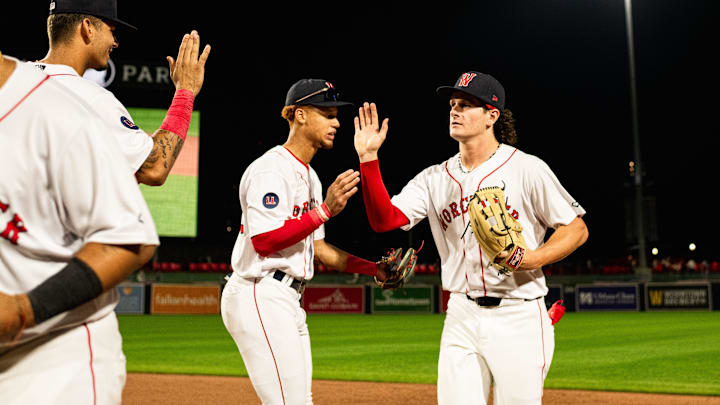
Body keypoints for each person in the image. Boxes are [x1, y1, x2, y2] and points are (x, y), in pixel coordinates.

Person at [353, 71, 589, 405]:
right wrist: (368, 159)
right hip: (461, 314)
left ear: (492, 115)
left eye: (466, 104)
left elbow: (576, 228)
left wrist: (533, 259)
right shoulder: (434, 178)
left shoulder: (526, 168)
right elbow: (384, 220)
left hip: (518, 313)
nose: (455, 110)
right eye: (452, 104)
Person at [0, 51, 159, 404]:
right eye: (111, 29)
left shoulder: (62, 106)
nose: (116, 43)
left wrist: (23, 309)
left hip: (50, 360)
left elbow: (130, 236)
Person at [221, 79, 389, 405]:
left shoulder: (310, 175)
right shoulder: (271, 170)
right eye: (327, 114)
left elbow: (320, 249)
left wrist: (374, 269)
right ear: (299, 115)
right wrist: (325, 210)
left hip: (288, 300)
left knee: (300, 400)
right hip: (259, 291)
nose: (336, 122)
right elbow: (264, 242)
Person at [32, 0, 210, 185]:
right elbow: (154, 168)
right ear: (88, 28)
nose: (115, 43)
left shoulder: (12, 80)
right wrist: (185, 91)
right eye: (112, 31)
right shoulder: (91, 100)